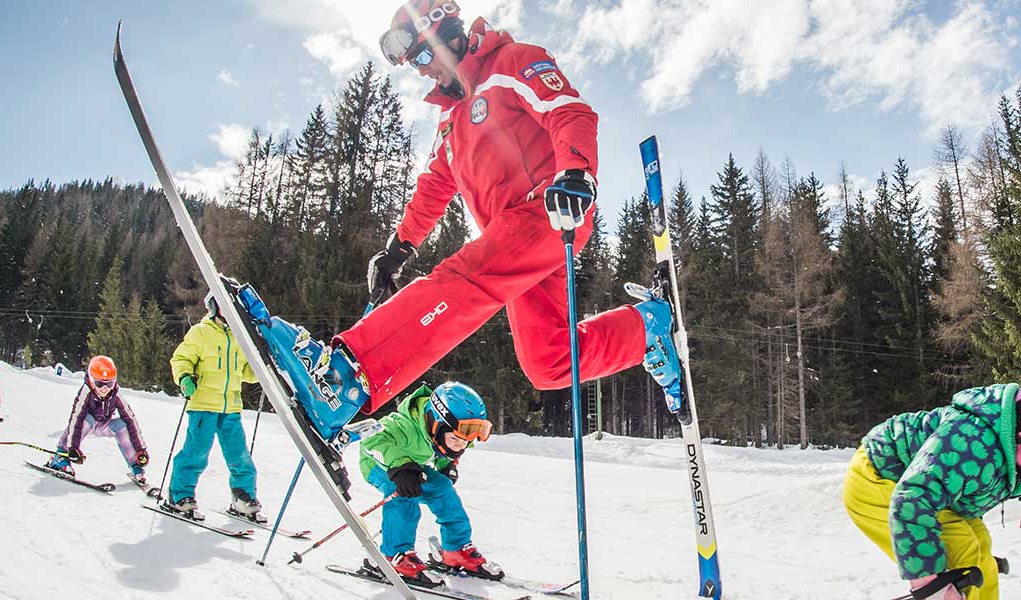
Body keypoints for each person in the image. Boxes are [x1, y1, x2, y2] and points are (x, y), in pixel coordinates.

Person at [239, 0, 682, 448]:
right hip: (514, 240)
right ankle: (648, 328)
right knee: (548, 362)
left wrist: (575, 172)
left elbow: (570, 112)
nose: (423, 71)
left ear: (450, 33)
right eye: (415, 64)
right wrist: (399, 247)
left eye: (426, 57)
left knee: (464, 280)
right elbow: (434, 185)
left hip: (549, 213)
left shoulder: (511, 63)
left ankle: (346, 378)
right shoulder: (450, 121)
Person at [843, 366, 1021, 600]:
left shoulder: (1011, 455)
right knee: (963, 551)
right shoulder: (973, 440)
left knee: (979, 548)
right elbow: (912, 498)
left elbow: (966, 487)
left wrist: (982, 563)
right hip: (878, 478)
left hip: (916, 489)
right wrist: (929, 584)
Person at [358, 381, 501, 584]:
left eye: (465, 443)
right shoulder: (403, 426)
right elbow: (370, 442)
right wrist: (400, 468)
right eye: (455, 440)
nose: (460, 448)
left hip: (411, 466)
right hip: (379, 464)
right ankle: (395, 555)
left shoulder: (435, 433)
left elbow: (441, 449)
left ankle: (455, 548)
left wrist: (446, 465)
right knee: (405, 495)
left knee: (443, 489)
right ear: (436, 424)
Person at [162, 296, 264, 522]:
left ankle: (243, 496)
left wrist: (262, 371)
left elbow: (246, 371)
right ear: (215, 307)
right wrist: (185, 377)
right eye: (225, 306)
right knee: (196, 452)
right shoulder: (200, 332)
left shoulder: (240, 338)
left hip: (231, 406)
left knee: (239, 455)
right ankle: (180, 495)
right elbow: (180, 359)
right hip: (203, 404)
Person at [45, 356, 151, 486]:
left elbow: (131, 420)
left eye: (109, 383)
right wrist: (73, 448)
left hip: (104, 424)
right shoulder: (86, 392)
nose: (105, 388)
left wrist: (141, 450)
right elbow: (76, 419)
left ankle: (135, 465)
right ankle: (61, 456)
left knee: (122, 425)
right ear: (91, 379)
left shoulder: (116, 395)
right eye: (100, 383)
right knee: (86, 420)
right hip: (87, 424)